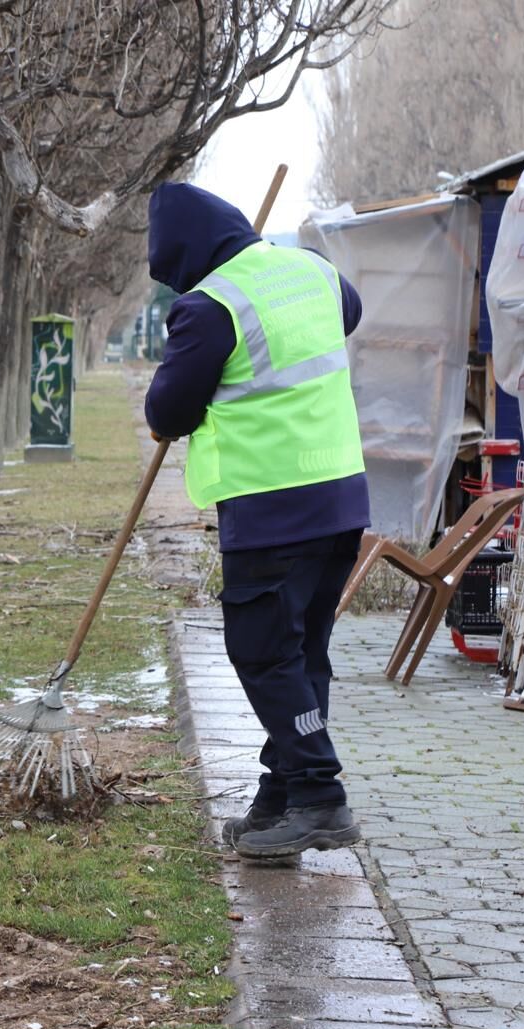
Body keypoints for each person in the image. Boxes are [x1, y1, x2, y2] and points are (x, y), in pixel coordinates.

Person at [143, 182, 368, 860]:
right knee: (302, 655)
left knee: (263, 653)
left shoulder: (209, 306)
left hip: (273, 506)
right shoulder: (314, 271)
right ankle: (281, 800)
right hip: (339, 498)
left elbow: (167, 413)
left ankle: (321, 797)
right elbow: (348, 315)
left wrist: (192, 354)